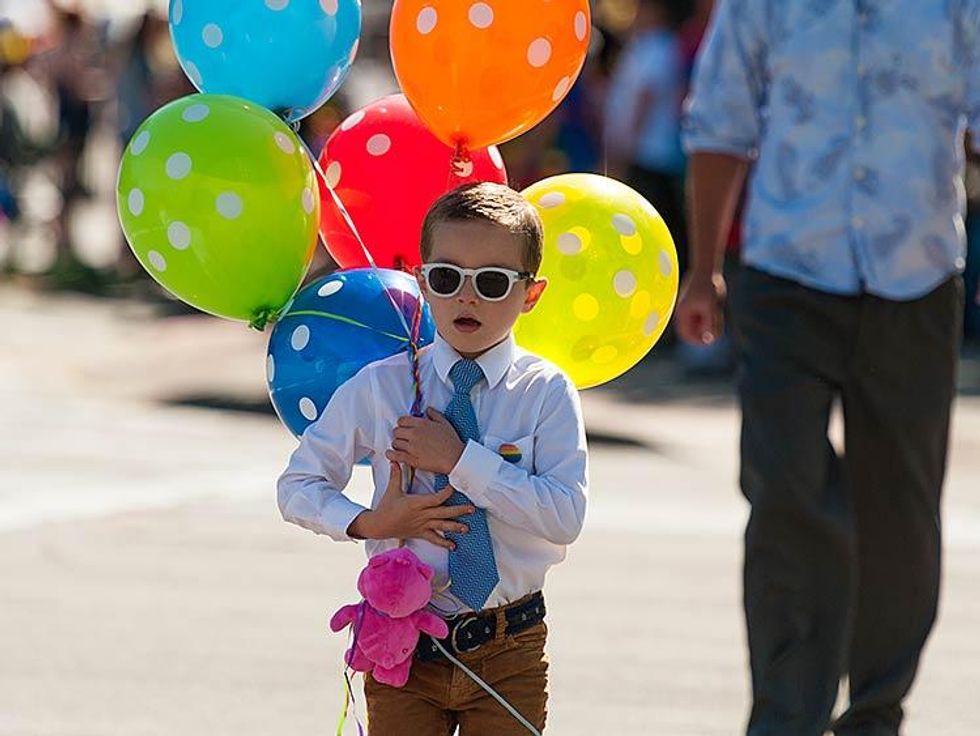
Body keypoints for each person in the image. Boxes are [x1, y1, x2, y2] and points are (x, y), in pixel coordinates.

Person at [678, 1, 979, 734]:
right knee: (785, 488)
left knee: (900, 509)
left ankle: (876, 710)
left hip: (917, 278)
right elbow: (720, 121)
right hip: (787, 274)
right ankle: (786, 714)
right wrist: (703, 268)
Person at [277, 182, 589, 734]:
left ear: (531, 294)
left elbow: (565, 516)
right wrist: (369, 522)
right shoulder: (383, 387)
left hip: (509, 643)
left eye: (492, 283)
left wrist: (460, 458)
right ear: (423, 282)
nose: (467, 298)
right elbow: (298, 484)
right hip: (403, 643)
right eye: (447, 278)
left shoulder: (545, 392)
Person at [603, 0, 687, 270]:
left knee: (650, 222)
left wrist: (624, 144)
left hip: (652, 154)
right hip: (642, 152)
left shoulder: (661, 47)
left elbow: (645, 97)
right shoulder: (644, 44)